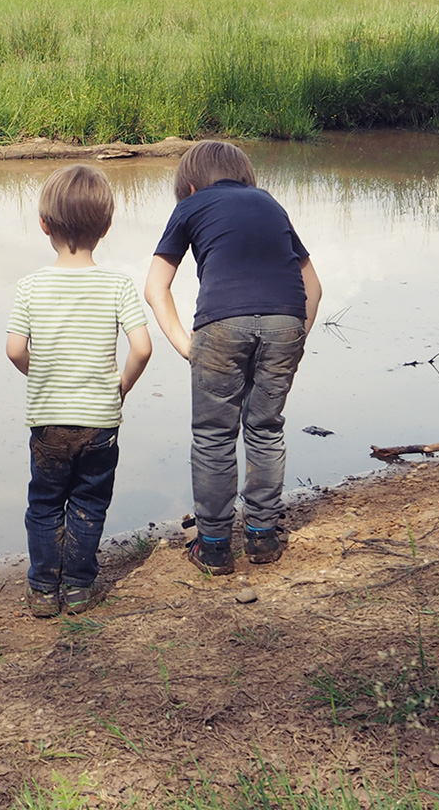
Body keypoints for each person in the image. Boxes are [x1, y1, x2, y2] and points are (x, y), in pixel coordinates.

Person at [144, 140, 321, 576]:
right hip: (286, 322)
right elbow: (313, 286)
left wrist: (185, 345)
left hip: (221, 324)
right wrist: (296, 335)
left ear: (188, 185)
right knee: (264, 428)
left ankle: (216, 546)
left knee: (213, 436)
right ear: (246, 176)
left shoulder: (191, 205)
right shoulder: (270, 203)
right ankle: (262, 537)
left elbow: (155, 287)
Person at [7, 164, 154, 617]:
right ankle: (77, 589)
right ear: (106, 227)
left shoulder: (30, 285)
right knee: (89, 502)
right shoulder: (118, 285)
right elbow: (143, 349)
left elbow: (14, 350)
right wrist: (120, 388)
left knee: (45, 502)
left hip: (48, 420)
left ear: (43, 224)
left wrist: (44, 376)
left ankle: (41, 590)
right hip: (100, 421)